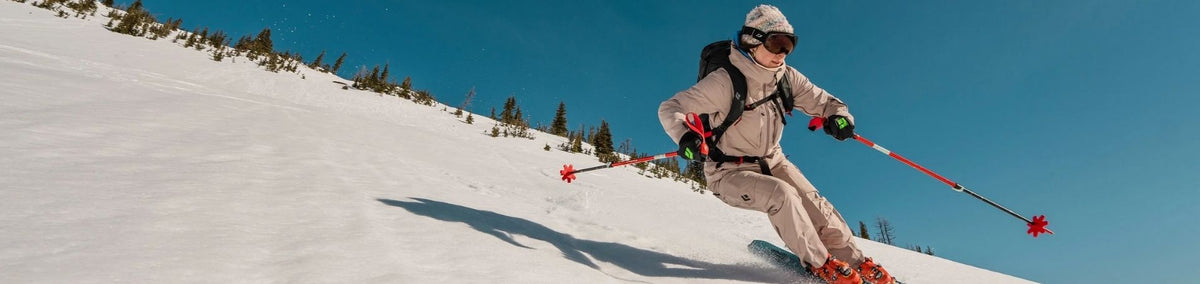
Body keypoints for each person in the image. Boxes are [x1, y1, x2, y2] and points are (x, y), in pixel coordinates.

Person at [658, 5, 895, 284]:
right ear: (753, 41)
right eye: (776, 43)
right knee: (781, 195)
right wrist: (686, 137)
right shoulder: (724, 82)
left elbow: (828, 103)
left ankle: (859, 264)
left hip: (773, 160)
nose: (782, 53)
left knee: (818, 208)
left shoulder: (787, 78)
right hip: (728, 172)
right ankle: (822, 266)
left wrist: (839, 117)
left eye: (789, 45)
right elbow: (671, 107)